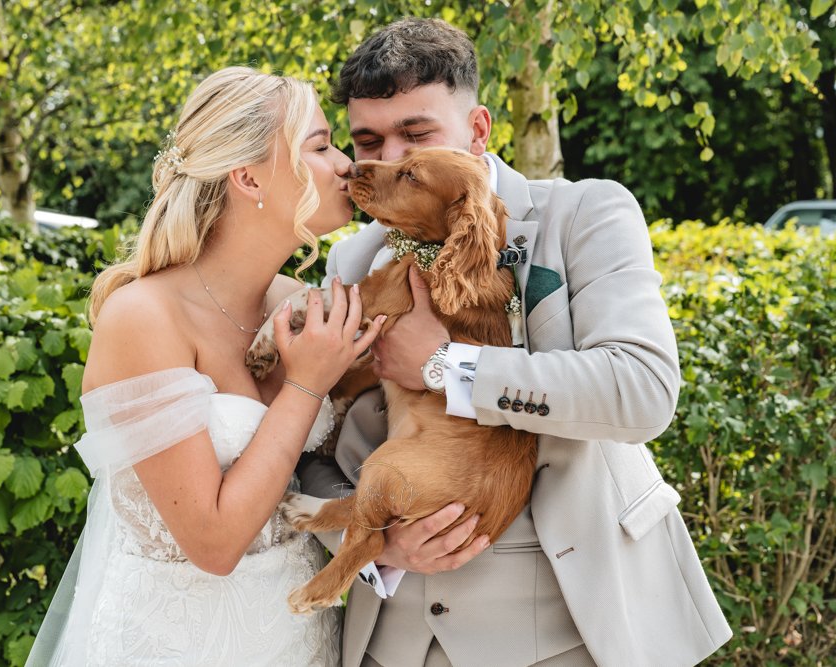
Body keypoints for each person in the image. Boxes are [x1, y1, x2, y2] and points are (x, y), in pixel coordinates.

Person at [298, 18, 733, 667]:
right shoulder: (353, 261)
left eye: (416, 135)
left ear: (478, 130)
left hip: (574, 628)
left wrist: (447, 365)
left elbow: (642, 391)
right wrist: (378, 547)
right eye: (368, 140)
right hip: (393, 638)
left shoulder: (587, 213)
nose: (388, 162)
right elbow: (311, 438)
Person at [25, 66, 384, 666]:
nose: (345, 163)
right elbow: (213, 542)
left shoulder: (296, 305)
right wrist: (305, 383)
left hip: (297, 639)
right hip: (175, 644)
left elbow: (324, 468)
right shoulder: (143, 318)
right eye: (320, 146)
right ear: (247, 177)